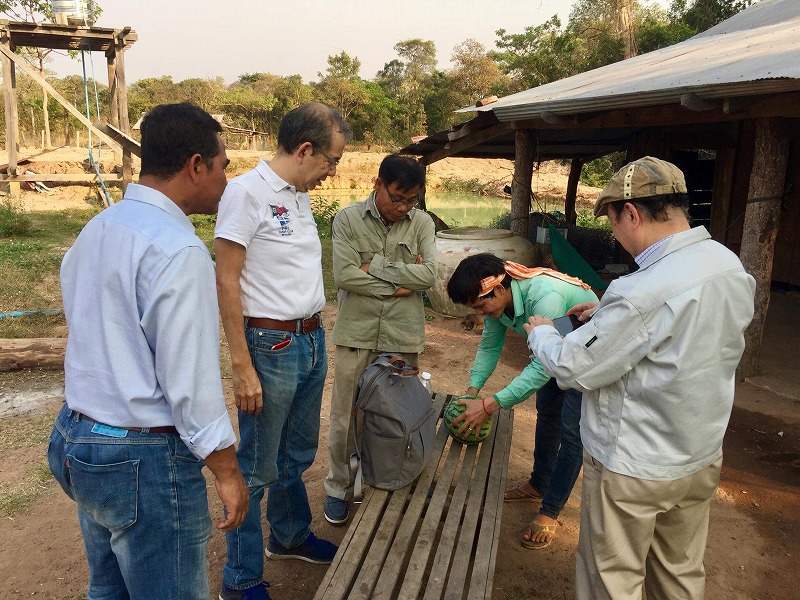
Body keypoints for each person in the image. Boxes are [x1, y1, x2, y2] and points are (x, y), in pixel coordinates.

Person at [524, 156, 756, 600]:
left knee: (612, 578)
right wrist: (606, 317)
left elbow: (575, 368)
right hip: (698, 455)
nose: (615, 234)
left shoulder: (640, 291)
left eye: (613, 223)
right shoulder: (725, 263)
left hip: (634, 465)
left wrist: (540, 336)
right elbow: (687, 335)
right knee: (680, 572)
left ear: (630, 212)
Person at [48, 103, 249, 600]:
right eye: (223, 167)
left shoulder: (100, 227)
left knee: (109, 588)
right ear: (196, 165)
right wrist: (226, 470)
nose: (226, 182)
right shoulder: (177, 250)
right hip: (140, 456)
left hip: (79, 436)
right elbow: (191, 384)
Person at [215, 102, 351, 600]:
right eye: (331, 160)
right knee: (255, 463)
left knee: (296, 452)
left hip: (310, 339)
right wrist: (240, 363)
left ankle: (288, 536)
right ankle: (242, 576)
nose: (332, 172)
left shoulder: (298, 195)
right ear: (305, 149)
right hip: (269, 345)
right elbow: (226, 281)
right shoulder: (245, 193)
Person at [446, 253, 598, 548]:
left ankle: (550, 511)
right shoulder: (497, 305)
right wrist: (472, 393)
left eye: (481, 306)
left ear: (500, 289)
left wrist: (490, 405)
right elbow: (490, 347)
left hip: (586, 358)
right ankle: (539, 484)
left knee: (571, 432)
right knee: (547, 413)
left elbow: (542, 367)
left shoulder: (545, 297)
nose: (480, 313)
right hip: (554, 352)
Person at [323, 154, 436, 524]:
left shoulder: (422, 223)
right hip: (356, 333)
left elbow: (430, 275)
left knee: (400, 413)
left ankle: (391, 475)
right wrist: (400, 285)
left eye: (411, 200)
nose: (403, 208)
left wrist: (380, 269)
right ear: (378, 184)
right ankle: (339, 486)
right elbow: (345, 276)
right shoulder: (347, 219)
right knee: (346, 414)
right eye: (397, 197)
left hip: (402, 336)